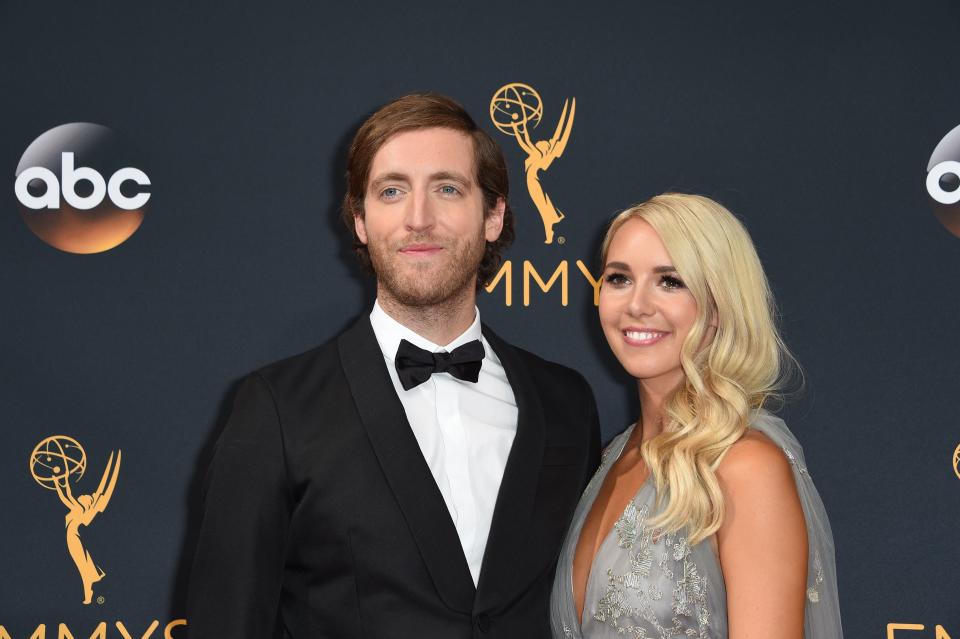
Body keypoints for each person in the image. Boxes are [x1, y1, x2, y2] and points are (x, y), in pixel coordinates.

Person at [186, 93, 601, 639]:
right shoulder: (277, 409)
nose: (419, 219)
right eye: (391, 191)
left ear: (494, 215)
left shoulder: (565, 401)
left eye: (447, 189)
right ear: (359, 220)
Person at [550, 194, 842, 638]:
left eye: (670, 281)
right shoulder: (614, 457)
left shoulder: (747, 467)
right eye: (619, 278)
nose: (637, 305)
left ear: (720, 303)